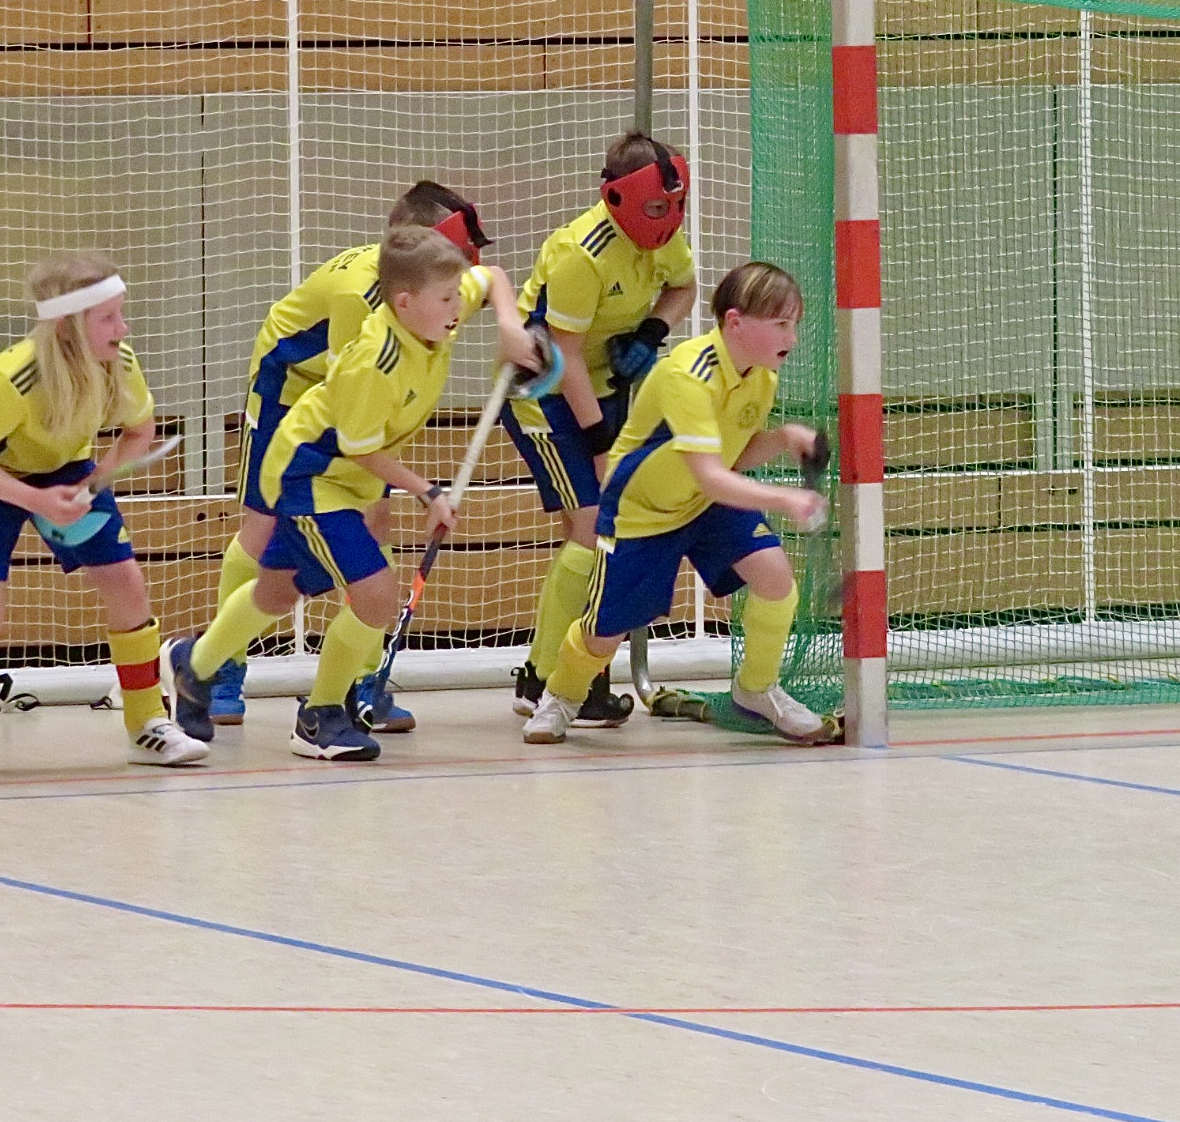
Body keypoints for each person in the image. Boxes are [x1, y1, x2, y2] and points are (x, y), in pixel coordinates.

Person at [170, 226, 544, 761]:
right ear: (404, 302)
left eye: (457, 295)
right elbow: (362, 450)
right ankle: (320, 715)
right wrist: (428, 492)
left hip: (342, 474)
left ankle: (193, 666)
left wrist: (508, 325)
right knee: (376, 596)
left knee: (276, 592)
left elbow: (494, 279)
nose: (458, 307)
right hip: (312, 474)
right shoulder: (374, 360)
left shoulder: (436, 311)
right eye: (446, 299)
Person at [211, 181, 491, 731]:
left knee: (375, 522)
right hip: (290, 389)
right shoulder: (358, 299)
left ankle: (361, 682)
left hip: (354, 402)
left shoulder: (426, 301)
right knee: (263, 529)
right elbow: (347, 401)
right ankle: (221, 670)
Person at [522, 261, 830, 746]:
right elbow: (711, 474)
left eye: (794, 324)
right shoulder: (688, 374)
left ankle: (757, 690)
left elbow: (731, 454)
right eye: (780, 324)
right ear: (735, 322)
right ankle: (560, 697)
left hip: (705, 501)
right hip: (643, 509)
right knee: (606, 632)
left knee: (775, 578)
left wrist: (782, 438)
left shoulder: (761, 377)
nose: (791, 337)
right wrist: (785, 497)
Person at [0, 254, 207, 777]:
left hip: (66, 468)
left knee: (126, 583)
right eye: (108, 317)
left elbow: (139, 433)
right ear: (66, 326)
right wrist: (38, 501)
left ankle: (147, 724)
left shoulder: (120, 363)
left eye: (121, 313)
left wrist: (91, 484)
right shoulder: (15, 376)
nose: (123, 328)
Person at [504, 132, 696, 726]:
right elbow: (563, 357)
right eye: (657, 206)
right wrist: (599, 444)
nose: (670, 219)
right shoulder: (580, 254)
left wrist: (650, 333)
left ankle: (557, 676)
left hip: (600, 386)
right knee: (591, 529)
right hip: (546, 392)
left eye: (677, 205)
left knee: (589, 535)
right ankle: (547, 678)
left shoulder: (662, 237)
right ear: (617, 198)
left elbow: (684, 286)